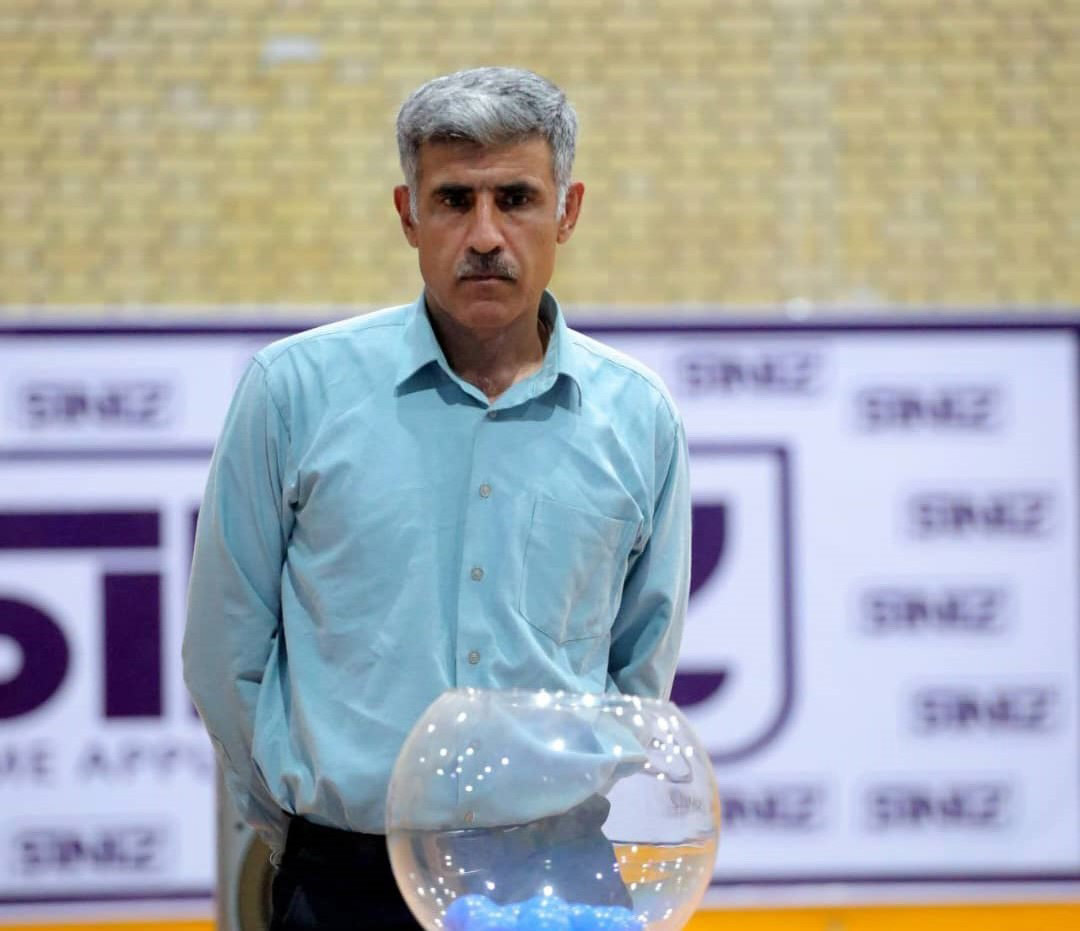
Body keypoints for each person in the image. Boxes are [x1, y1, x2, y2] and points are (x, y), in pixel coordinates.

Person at [183, 66, 691, 930]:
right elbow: (223, 653)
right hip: (346, 883)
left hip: (559, 881)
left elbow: (639, 664)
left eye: (516, 199)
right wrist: (308, 822)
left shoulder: (638, 416)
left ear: (567, 211)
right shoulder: (292, 391)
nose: (485, 234)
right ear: (408, 213)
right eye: (455, 199)